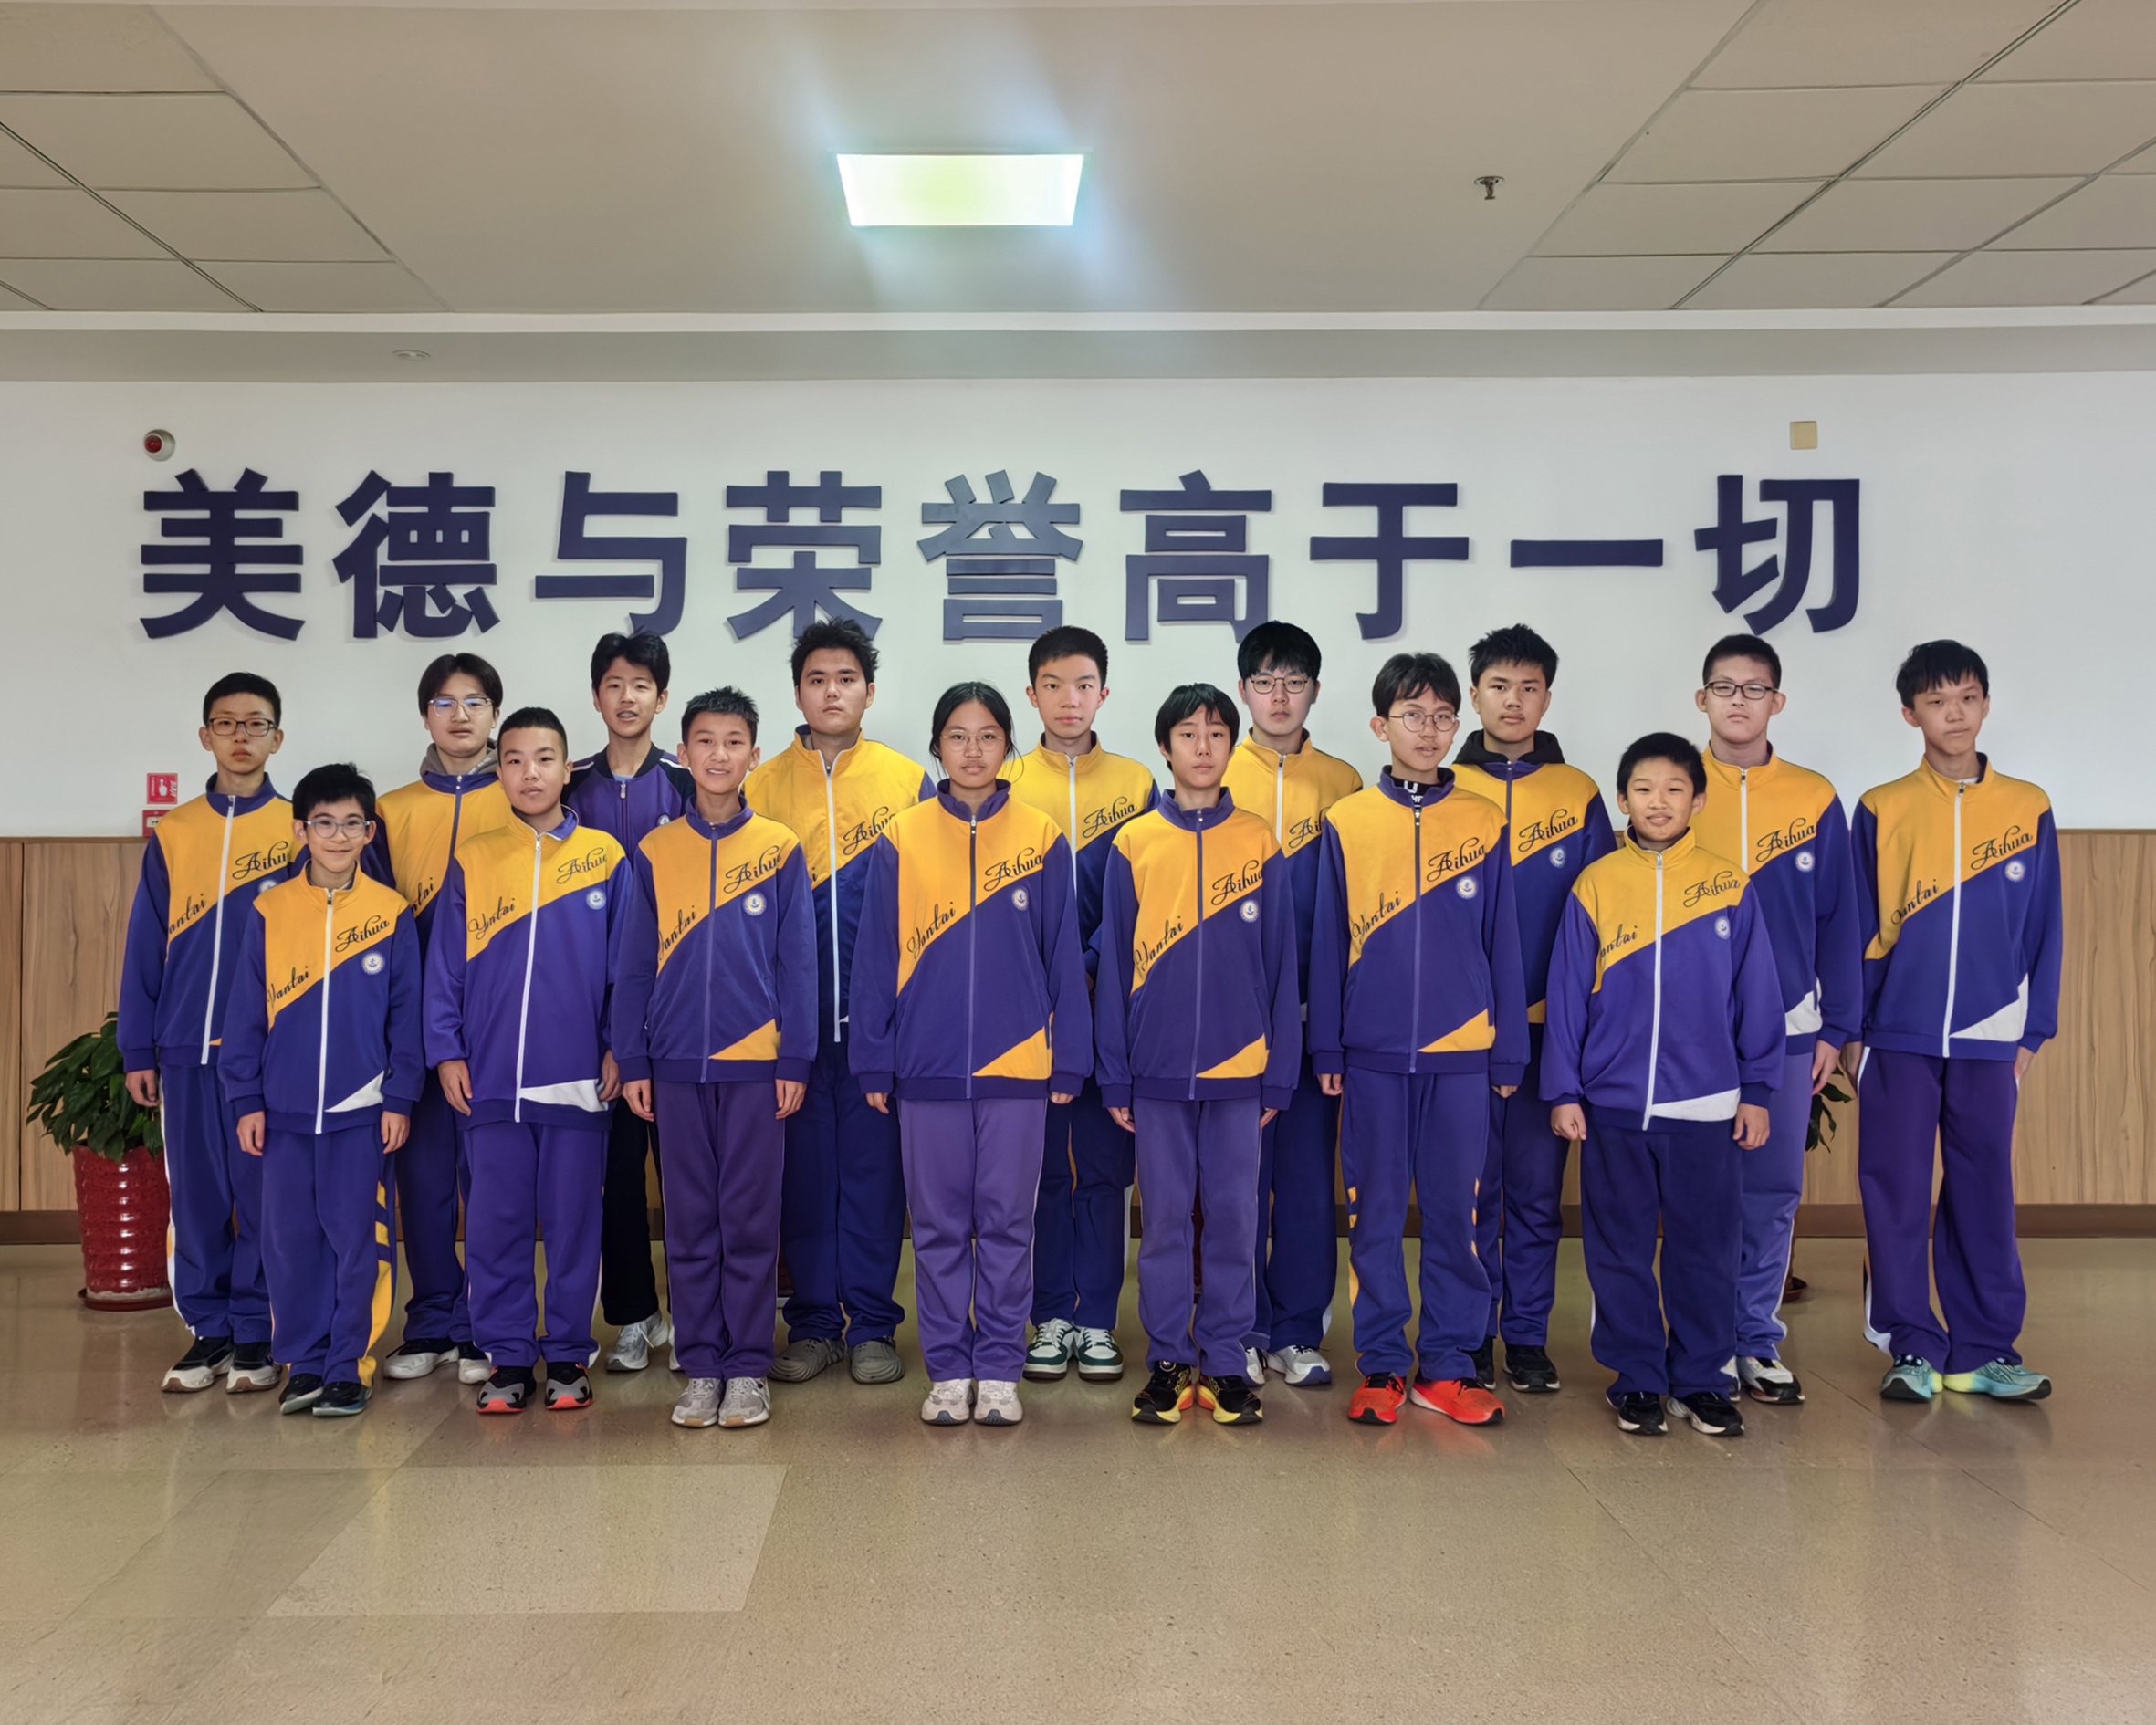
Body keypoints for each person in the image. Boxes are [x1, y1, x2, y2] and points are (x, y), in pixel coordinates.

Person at [852, 683, 1093, 1427]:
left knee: (1009, 1225)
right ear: (937, 747)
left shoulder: (1043, 836)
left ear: (1006, 745)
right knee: (937, 1229)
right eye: (957, 736)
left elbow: (1063, 958)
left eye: (988, 736)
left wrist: (1069, 1058)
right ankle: (949, 1370)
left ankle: (998, 1370)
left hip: (1018, 1072)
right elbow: (875, 956)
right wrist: (873, 1058)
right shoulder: (901, 836)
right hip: (924, 1071)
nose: (973, 750)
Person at [1543, 734, 1784, 1438]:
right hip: (1613, 1105)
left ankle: (1702, 1378)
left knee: (1705, 1248)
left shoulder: (1729, 885)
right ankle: (1638, 1376)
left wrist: (1757, 1088)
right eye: (1644, 789)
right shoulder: (1595, 884)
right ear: (1623, 799)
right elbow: (1567, 996)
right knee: (1617, 1248)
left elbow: (1757, 995)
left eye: (1675, 789)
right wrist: (1564, 1091)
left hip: (1706, 1106)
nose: (1658, 802)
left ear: (1698, 801)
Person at [1310, 653, 1527, 1427]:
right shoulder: (1347, 821)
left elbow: (1503, 940)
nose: (1428, 730)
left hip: (1463, 1058)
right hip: (1371, 1058)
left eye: (1441, 717)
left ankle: (1449, 1365)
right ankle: (1382, 1364)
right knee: (1373, 1218)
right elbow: (1327, 941)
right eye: (1412, 716)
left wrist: (1507, 1049)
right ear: (1381, 726)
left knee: (1457, 1218)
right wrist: (1329, 1047)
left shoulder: (1483, 819)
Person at [1851, 641, 2061, 1405]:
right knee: (1897, 1191)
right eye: (1938, 702)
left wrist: (2033, 1030)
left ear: (1986, 704)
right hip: (1896, 1036)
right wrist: (1854, 1031)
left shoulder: (2028, 805)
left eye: (1968, 697)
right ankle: (1911, 1344)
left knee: (1984, 1190)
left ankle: (1983, 1351)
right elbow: (1860, 928)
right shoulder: (1881, 807)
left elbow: (2045, 925)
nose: (1955, 714)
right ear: (1911, 714)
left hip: (1992, 1037)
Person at [1096, 685, 1300, 1427]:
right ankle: (1169, 1359)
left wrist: (1279, 1074)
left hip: (1241, 1073)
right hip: (1154, 1073)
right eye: (1188, 733)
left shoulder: (1259, 840)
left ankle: (1224, 1359)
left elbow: (1282, 964)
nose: (1204, 746)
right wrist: (1115, 1074)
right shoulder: (1133, 843)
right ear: (1166, 747)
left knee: (1236, 1219)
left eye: (1217, 733)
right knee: (1165, 1224)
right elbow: (1114, 967)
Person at [612, 688, 815, 1432]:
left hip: (757, 1069)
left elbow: (799, 965)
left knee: (751, 1222)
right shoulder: (655, 852)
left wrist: (795, 1058)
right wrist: (634, 1058)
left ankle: (748, 1367)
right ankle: (702, 1364)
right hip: (673, 1069)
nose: (719, 754)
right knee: (691, 1223)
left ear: (754, 755)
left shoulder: (780, 848)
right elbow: (633, 966)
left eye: (734, 742)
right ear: (685, 753)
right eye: (705, 741)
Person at [743, 619, 935, 1386]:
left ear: (869, 691)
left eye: (846, 679)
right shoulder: (760, 785)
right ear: (798, 692)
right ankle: (816, 1326)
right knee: (803, 1182)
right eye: (817, 679)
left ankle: (874, 1327)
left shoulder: (908, 782)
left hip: (878, 1029)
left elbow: (931, 906)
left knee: (875, 1182)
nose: (832, 692)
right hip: (787, 1031)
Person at [424, 707, 628, 1416]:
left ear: (567, 769)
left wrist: (619, 1045)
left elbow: (627, 968)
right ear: (499, 772)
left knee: (574, 1225)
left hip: (578, 1081)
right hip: (491, 1082)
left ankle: (568, 1354)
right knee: (495, 1225)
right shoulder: (474, 859)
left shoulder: (606, 856)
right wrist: (446, 1049)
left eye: (543, 759)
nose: (529, 773)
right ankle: (508, 1357)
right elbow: (444, 969)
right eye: (513, 760)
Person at [1691, 634, 1862, 1407]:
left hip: (1792, 1028)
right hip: (1691, 1030)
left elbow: (1839, 918)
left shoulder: (1814, 797)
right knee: (1695, 1193)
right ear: (1702, 699)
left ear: (1777, 702)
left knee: (1771, 1190)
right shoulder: (1675, 786)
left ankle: (1755, 1339)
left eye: (1754, 689)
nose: (1739, 701)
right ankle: (1697, 1339)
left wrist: (1837, 1026)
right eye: (1724, 688)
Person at [221, 764, 421, 1418]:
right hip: (282, 1114)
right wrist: (246, 1099)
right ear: (300, 830)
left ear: (370, 833)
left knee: (358, 1242)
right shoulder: (269, 910)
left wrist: (399, 1098)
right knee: (288, 1243)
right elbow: (244, 1015)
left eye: (352, 824)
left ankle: (348, 1365)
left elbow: (406, 1017)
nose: (338, 835)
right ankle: (305, 1362)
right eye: (325, 823)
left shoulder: (391, 912)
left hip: (361, 1114)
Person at [1450, 624, 1616, 1394]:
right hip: (1463, 1035)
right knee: (1469, 1193)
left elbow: (1604, 916)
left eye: (1528, 688)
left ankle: (1525, 1336)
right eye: (1498, 687)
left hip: (1552, 1033)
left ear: (1547, 697)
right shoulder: (1445, 787)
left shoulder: (1578, 792)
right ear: (1473, 695)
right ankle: (1469, 1333)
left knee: (1537, 1194)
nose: (1512, 702)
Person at [120, 673, 294, 1396]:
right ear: (205, 736)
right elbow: (144, 944)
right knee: (195, 1199)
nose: (241, 736)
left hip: (266, 1055)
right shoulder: (176, 832)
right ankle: (208, 1331)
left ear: (278, 737)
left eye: (256, 724)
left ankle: (255, 1331)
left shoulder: (299, 827)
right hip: (186, 1048)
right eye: (227, 723)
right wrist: (139, 1045)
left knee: (261, 1196)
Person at [1006, 624, 1156, 1385]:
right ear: (1032, 693)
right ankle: (1049, 1315)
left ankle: (1096, 1317)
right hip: (1026, 1009)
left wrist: (1089, 967)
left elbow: (1148, 893)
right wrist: (1046, 980)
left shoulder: (1136, 783)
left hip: (1112, 1002)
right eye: (1054, 685)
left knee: (1103, 1167)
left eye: (1085, 685)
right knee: (1041, 1171)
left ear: (1104, 693)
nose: (1071, 699)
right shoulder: (1005, 778)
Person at [1220, 620, 1362, 1388]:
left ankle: (1299, 1329)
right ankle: (1238, 1327)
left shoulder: (1344, 784)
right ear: (1243, 690)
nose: (1280, 697)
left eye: (1295, 682)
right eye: (1265, 682)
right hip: (1231, 1020)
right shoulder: (1212, 767)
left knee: (1306, 1182)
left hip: (1314, 1018)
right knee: (1237, 1181)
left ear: (1314, 691)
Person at [367, 653, 512, 1388]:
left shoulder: (521, 797)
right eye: (445, 702)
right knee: (422, 1181)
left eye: (476, 701)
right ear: (425, 714)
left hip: (498, 1023)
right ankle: (431, 1319)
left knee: (492, 1181)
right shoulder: (389, 812)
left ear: (495, 714)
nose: (461, 715)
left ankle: (488, 1322)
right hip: (413, 1028)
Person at [567, 631, 695, 1375]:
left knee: (685, 1177)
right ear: (596, 696)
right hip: (593, 1013)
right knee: (616, 1178)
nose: (626, 697)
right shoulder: (570, 786)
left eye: (641, 685)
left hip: (676, 1009)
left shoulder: (687, 784)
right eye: (614, 684)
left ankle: (693, 1312)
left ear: (661, 698)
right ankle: (635, 1315)